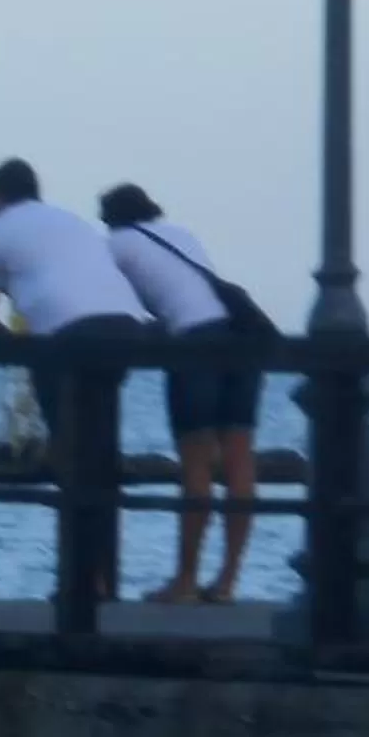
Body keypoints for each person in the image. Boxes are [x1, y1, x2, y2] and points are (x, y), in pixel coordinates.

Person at [0, 158, 143, 597]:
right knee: (100, 456)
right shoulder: (71, 223)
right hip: (126, 328)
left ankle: (78, 583)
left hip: (68, 338)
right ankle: (102, 580)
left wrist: (19, 349)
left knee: (71, 457)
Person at [99, 183, 263, 604]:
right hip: (242, 338)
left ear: (109, 218)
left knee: (196, 467)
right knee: (240, 464)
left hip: (193, 343)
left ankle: (186, 581)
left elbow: (113, 307)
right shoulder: (181, 235)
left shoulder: (115, 244)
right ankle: (227, 582)